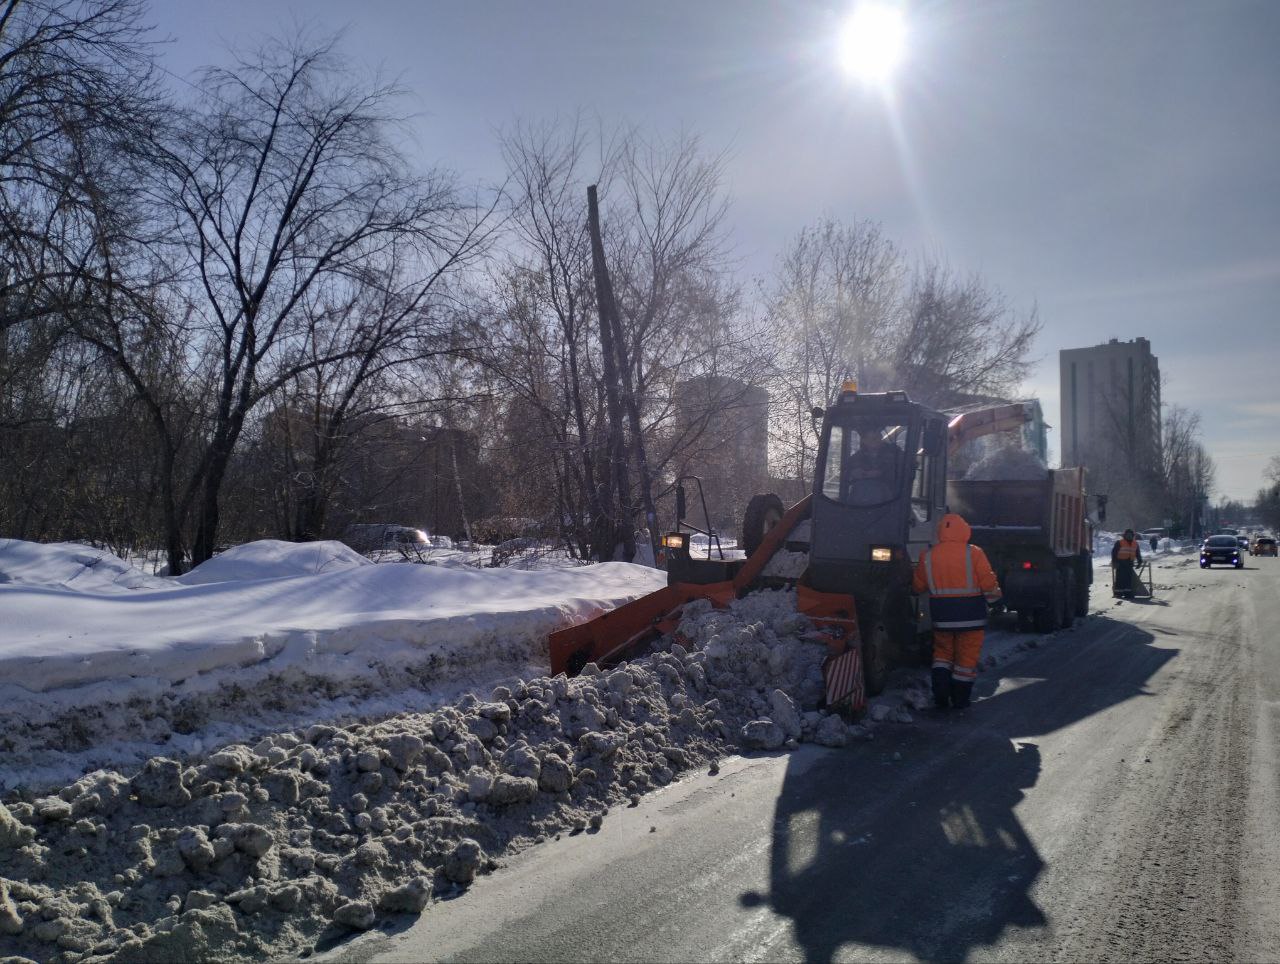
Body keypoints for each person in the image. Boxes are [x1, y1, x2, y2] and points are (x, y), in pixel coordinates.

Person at [912, 513, 1001, 710]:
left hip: (942, 617)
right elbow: (987, 580)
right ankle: (960, 699)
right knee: (966, 659)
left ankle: (941, 695)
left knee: (942, 655)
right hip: (971, 616)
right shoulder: (974, 553)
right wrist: (995, 599)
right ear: (965, 530)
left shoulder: (928, 556)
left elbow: (918, 586)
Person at [1112, 529, 1143, 599]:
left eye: (1130, 535)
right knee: (1120, 579)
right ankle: (1118, 593)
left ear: (1133, 536)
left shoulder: (1135, 544)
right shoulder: (1119, 542)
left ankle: (1127, 593)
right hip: (1120, 563)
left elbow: (1137, 553)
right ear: (1124, 535)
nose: (1129, 536)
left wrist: (1140, 561)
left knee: (1128, 579)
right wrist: (1115, 562)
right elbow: (1114, 552)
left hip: (1129, 563)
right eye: (1127, 535)